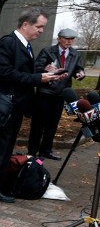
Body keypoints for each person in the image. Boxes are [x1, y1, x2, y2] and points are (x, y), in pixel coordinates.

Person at [0, 8, 67, 210]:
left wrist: (46, 72)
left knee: (5, 150)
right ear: (25, 24)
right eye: (39, 26)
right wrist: (38, 78)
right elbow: (3, 72)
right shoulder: (8, 43)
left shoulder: (25, 45)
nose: (41, 31)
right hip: (1, 109)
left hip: (14, 108)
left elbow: (22, 72)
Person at [27, 28, 86, 160]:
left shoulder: (75, 54)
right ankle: (32, 151)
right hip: (45, 92)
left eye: (72, 39)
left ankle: (46, 150)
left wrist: (80, 74)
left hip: (61, 93)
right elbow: (37, 68)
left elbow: (78, 68)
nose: (69, 41)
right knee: (38, 124)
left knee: (52, 124)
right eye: (66, 38)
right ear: (59, 38)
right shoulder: (47, 51)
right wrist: (46, 68)